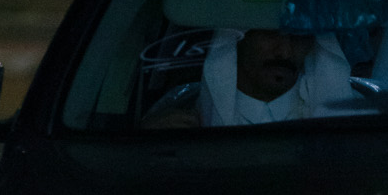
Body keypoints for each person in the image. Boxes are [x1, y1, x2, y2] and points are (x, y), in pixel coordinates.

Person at [143, 26, 361, 129]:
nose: (285, 52)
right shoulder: (180, 108)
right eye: (270, 34)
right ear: (237, 39)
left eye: (298, 37)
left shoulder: (360, 117)